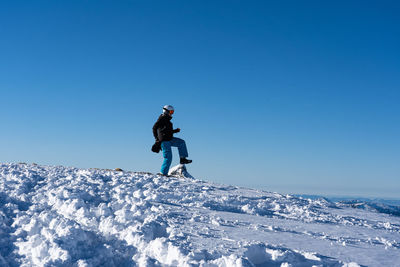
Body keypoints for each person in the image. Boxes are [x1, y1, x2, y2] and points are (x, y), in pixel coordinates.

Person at [152, 105, 192, 175]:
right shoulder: (162, 118)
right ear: (166, 111)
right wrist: (157, 139)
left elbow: (166, 130)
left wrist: (175, 131)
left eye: (172, 112)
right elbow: (154, 128)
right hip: (164, 140)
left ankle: (183, 159)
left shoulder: (167, 119)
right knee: (168, 157)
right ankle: (163, 173)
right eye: (171, 111)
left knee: (181, 142)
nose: (172, 113)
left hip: (169, 139)